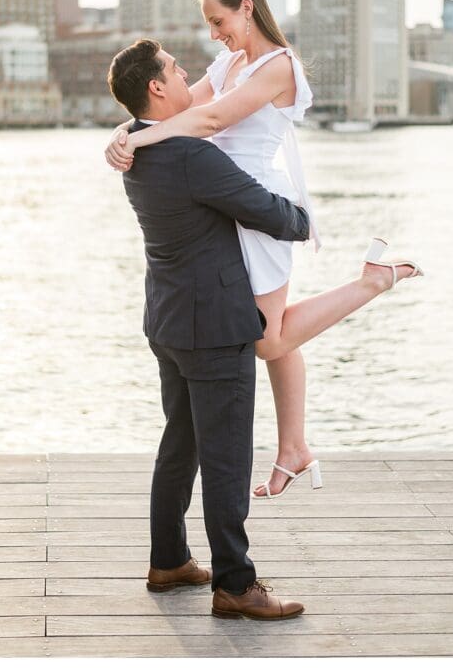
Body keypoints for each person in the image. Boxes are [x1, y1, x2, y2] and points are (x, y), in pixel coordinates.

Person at [106, 0, 422, 500]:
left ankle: (371, 282)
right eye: (208, 24)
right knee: (274, 336)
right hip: (225, 203)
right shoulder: (230, 62)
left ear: (247, 8)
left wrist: (138, 141)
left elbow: (210, 121)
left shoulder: (280, 67)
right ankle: (294, 448)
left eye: (219, 21)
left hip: (263, 210)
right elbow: (184, 107)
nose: (214, 34)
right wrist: (124, 129)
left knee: (266, 337)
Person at [107, 37, 309, 620]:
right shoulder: (190, 155)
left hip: (168, 320)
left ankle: (168, 560)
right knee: (226, 456)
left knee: (183, 441)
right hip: (214, 326)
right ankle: (235, 585)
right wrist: (302, 219)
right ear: (157, 87)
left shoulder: (135, 147)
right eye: (175, 68)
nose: (185, 71)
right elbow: (265, 210)